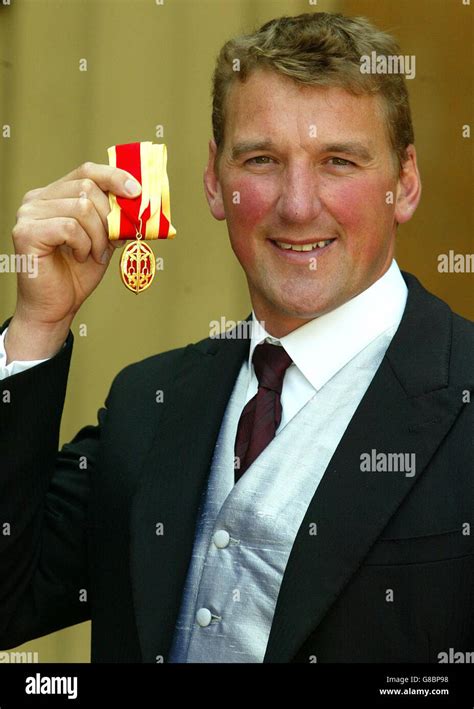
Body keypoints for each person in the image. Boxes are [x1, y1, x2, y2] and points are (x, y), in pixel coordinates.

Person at [0, 12, 472, 664]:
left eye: (339, 160)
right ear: (214, 183)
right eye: (262, 160)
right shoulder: (148, 402)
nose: (298, 205)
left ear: (406, 181)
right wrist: (36, 327)